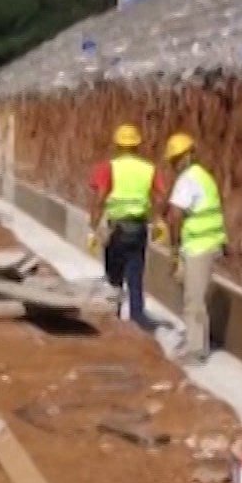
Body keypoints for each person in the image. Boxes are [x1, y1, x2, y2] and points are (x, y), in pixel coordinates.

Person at [86, 123, 168, 334]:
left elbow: (100, 197)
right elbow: (161, 196)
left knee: (114, 276)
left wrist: (93, 229)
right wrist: (158, 221)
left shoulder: (108, 167)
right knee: (135, 275)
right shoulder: (148, 168)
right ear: (137, 145)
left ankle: (113, 318)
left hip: (117, 230)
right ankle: (137, 319)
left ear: (117, 144)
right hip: (138, 228)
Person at [157, 132, 227, 363]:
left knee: (193, 299)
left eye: (177, 158)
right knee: (190, 294)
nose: (175, 163)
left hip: (198, 247)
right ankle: (195, 341)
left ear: (187, 156)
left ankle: (196, 350)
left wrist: (174, 248)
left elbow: (175, 215)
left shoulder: (187, 180)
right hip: (204, 245)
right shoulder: (203, 176)